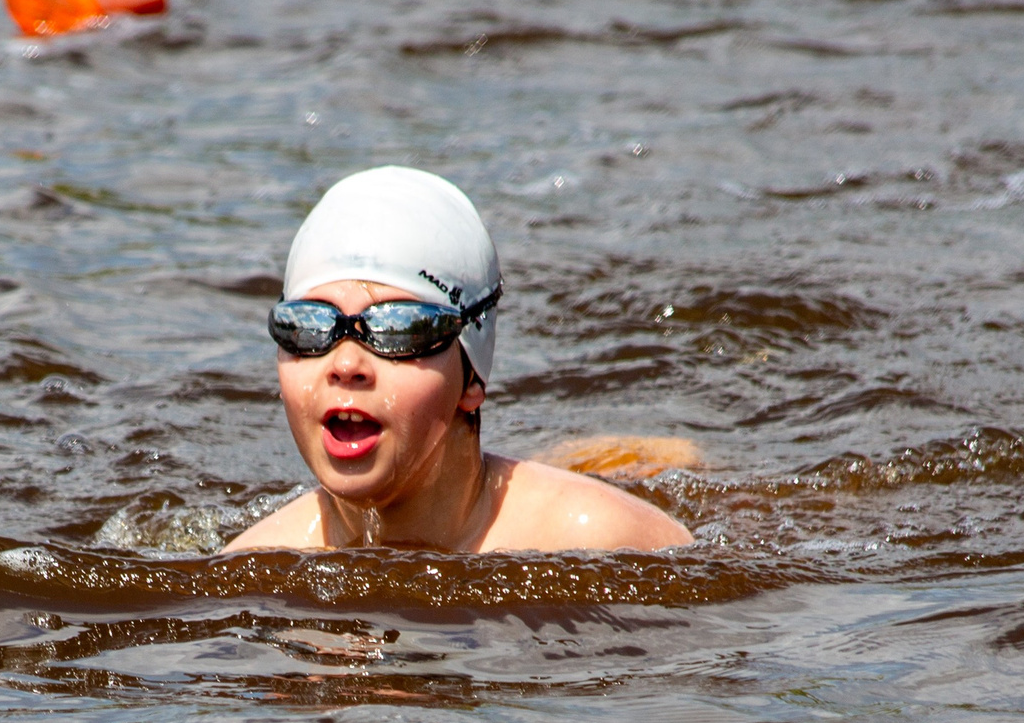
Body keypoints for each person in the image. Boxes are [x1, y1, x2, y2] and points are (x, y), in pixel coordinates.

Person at [224, 167, 691, 554]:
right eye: (308, 327)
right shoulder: (250, 567)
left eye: (399, 329)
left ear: (472, 377)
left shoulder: (602, 539)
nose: (346, 363)